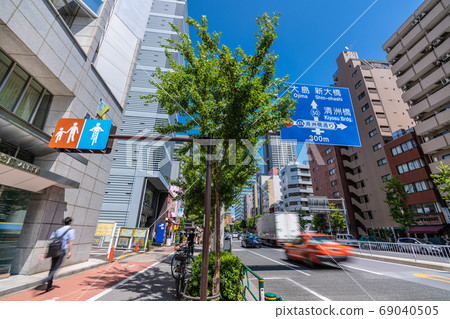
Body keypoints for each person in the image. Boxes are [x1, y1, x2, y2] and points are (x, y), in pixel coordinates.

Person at [40, 217, 75, 292]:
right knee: (55, 268)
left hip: (53, 250)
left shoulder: (57, 230)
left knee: (52, 267)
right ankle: (47, 279)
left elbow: (49, 241)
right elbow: (70, 242)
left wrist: (44, 253)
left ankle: (49, 285)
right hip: (61, 251)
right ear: (70, 222)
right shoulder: (71, 230)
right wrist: (69, 252)